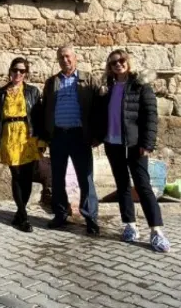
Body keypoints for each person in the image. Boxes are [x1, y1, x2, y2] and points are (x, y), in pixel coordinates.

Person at [101, 49, 170, 252]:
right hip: (113, 144)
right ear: (110, 67)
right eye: (113, 62)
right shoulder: (109, 88)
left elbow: (151, 116)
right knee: (122, 185)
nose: (118, 64)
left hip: (134, 145)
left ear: (128, 62)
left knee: (143, 186)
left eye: (121, 60)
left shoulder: (140, 86)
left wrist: (147, 143)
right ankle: (130, 225)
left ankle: (156, 231)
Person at [42, 46, 101, 235]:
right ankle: (60, 214)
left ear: (75, 58)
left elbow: (99, 107)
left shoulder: (87, 79)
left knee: (86, 177)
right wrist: (46, 136)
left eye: (67, 56)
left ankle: (90, 217)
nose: (64, 60)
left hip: (79, 136)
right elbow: (45, 109)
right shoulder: (52, 82)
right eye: (61, 57)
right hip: (58, 136)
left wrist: (97, 135)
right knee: (57, 178)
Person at [0, 57, 45, 233]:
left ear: (26, 74)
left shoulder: (33, 92)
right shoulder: (1, 92)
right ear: (10, 71)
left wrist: (41, 141)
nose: (18, 73)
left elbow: (38, 117)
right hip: (9, 134)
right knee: (16, 175)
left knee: (27, 176)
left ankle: (19, 214)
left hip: (27, 136)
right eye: (15, 70)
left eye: (22, 71)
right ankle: (23, 216)